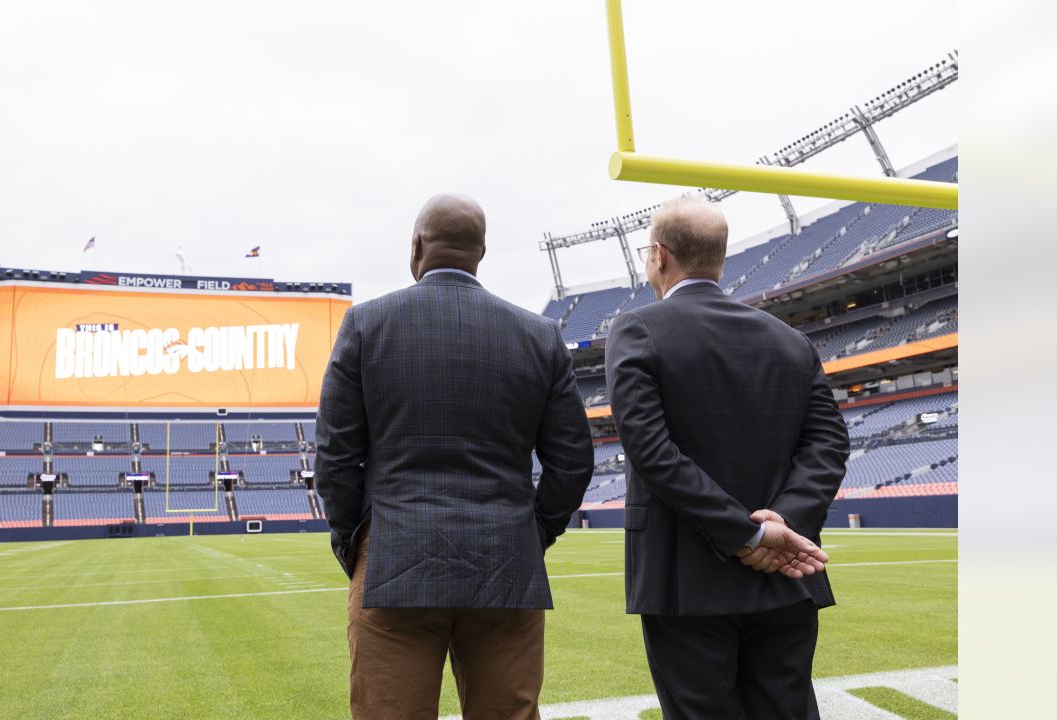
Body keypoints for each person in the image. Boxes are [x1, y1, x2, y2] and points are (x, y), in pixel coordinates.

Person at [316, 193, 594, 720]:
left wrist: (356, 542)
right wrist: (533, 533)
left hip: (395, 558)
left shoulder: (366, 324)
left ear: (416, 246)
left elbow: (334, 456)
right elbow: (574, 461)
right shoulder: (539, 335)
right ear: (481, 253)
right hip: (506, 561)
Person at [604, 196, 850, 719]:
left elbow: (651, 450)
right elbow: (828, 442)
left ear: (658, 255)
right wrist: (783, 523)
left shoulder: (638, 329)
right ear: (720, 257)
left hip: (685, 578)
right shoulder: (791, 339)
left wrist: (749, 534)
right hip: (788, 573)